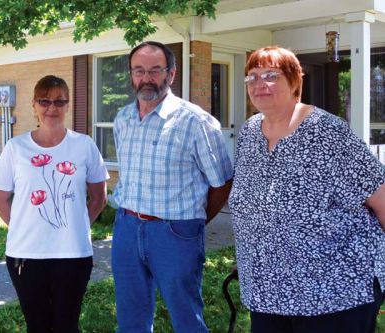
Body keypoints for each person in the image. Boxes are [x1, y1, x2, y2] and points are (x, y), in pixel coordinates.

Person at [229, 46, 385, 333]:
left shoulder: (327, 132)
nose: (259, 84)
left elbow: (381, 201)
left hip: (335, 294)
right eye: (252, 76)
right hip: (267, 292)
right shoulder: (250, 132)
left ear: (295, 82)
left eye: (271, 75)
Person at [112, 41, 234, 333]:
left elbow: (223, 182)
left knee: (186, 316)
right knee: (130, 316)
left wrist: (195, 221)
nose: (146, 78)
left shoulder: (195, 121)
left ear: (171, 74)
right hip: (127, 228)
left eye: (155, 70)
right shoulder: (123, 119)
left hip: (175, 233)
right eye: (139, 70)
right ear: (131, 74)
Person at [0, 75, 109, 333]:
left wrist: (76, 226)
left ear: (67, 105)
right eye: (44, 101)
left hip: (73, 254)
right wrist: (23, 226)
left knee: (67, 325)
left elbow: (99, 198)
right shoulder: (15, 148)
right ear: (33, 105)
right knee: (38, 325)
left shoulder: (84, 145)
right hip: (26, 255)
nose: (51, 108)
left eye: (59, 101)